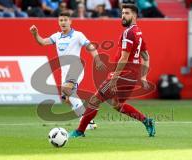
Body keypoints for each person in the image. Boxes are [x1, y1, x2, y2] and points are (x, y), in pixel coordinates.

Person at [69, 4, 155, 138]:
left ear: (134, 15)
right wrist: (143, 77)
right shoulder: (139, 32)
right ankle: (146, 121)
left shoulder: (129, 32)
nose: (123, 16)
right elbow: (145, 56)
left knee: (94, 100)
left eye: (127, 13)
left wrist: (115, 77)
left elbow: (124, 57)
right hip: (132, 77)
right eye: (122, 13)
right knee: (117, 104)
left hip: (122, 76)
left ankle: (80, 131)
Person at [30, 12, 106, 129]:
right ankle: (87, 120)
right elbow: (43, 42)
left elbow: (90, 46)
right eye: (61, 20)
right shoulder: (57, 36)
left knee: (67, 90)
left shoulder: (78, 35)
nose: (63, 22)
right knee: (67, 99)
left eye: (65, 20)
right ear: (58, 22)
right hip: (64, 71)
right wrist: (35, 34)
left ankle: (87, 120)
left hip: (76, 67)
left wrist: (98, 60)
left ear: (70, 21)